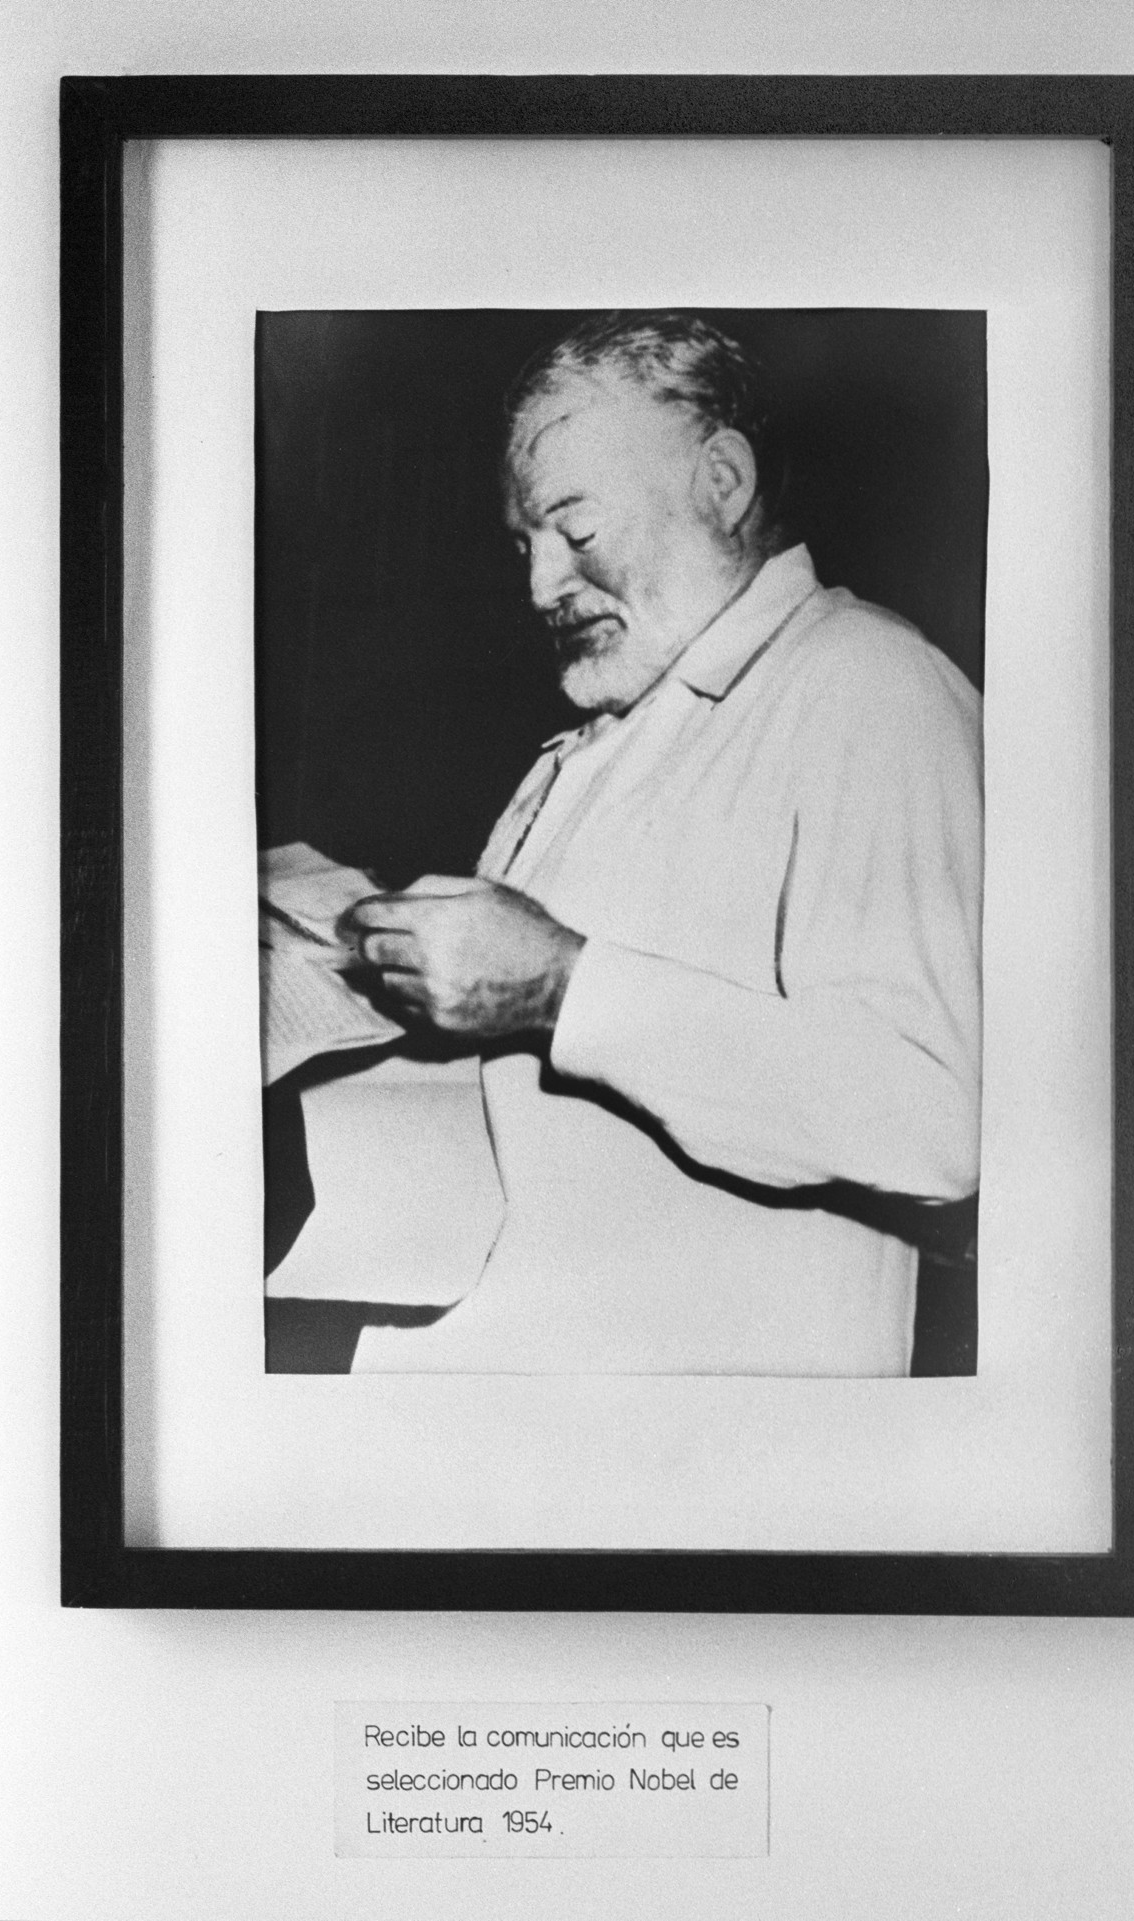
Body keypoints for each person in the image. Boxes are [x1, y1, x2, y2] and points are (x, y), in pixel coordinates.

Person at [344, 311, 982, 1376]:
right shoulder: (609, 733)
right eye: (524, 545)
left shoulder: (870, 687)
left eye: (577, 530)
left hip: (697, 1439)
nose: (540, 585)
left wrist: (562, 986)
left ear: (721, 482)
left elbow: (937, 1116)